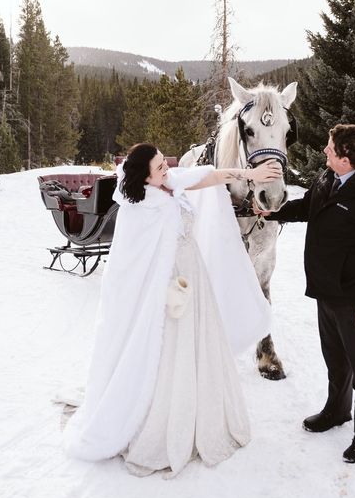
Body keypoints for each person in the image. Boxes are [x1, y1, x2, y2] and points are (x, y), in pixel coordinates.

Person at [62, 143, 280, 477]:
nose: (167, 169)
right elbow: (131, 265)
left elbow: (211, 175)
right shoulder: (140, 209)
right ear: (145, 178)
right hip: (167, 292)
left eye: (165, 162)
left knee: (198, 345)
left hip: (194, 278)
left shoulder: (171, 182)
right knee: (167, 353)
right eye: (160, 167)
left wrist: (251, 174)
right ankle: (161, 421)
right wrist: (163, 291)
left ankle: (200, 413)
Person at [261, 124, 355, 463]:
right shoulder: (329, 178)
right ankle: (337, 411)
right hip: (327, 290)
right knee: (336, 359)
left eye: (329, 147)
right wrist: (273, 212)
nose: (324, 151)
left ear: (346, 156)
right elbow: (308, 207)